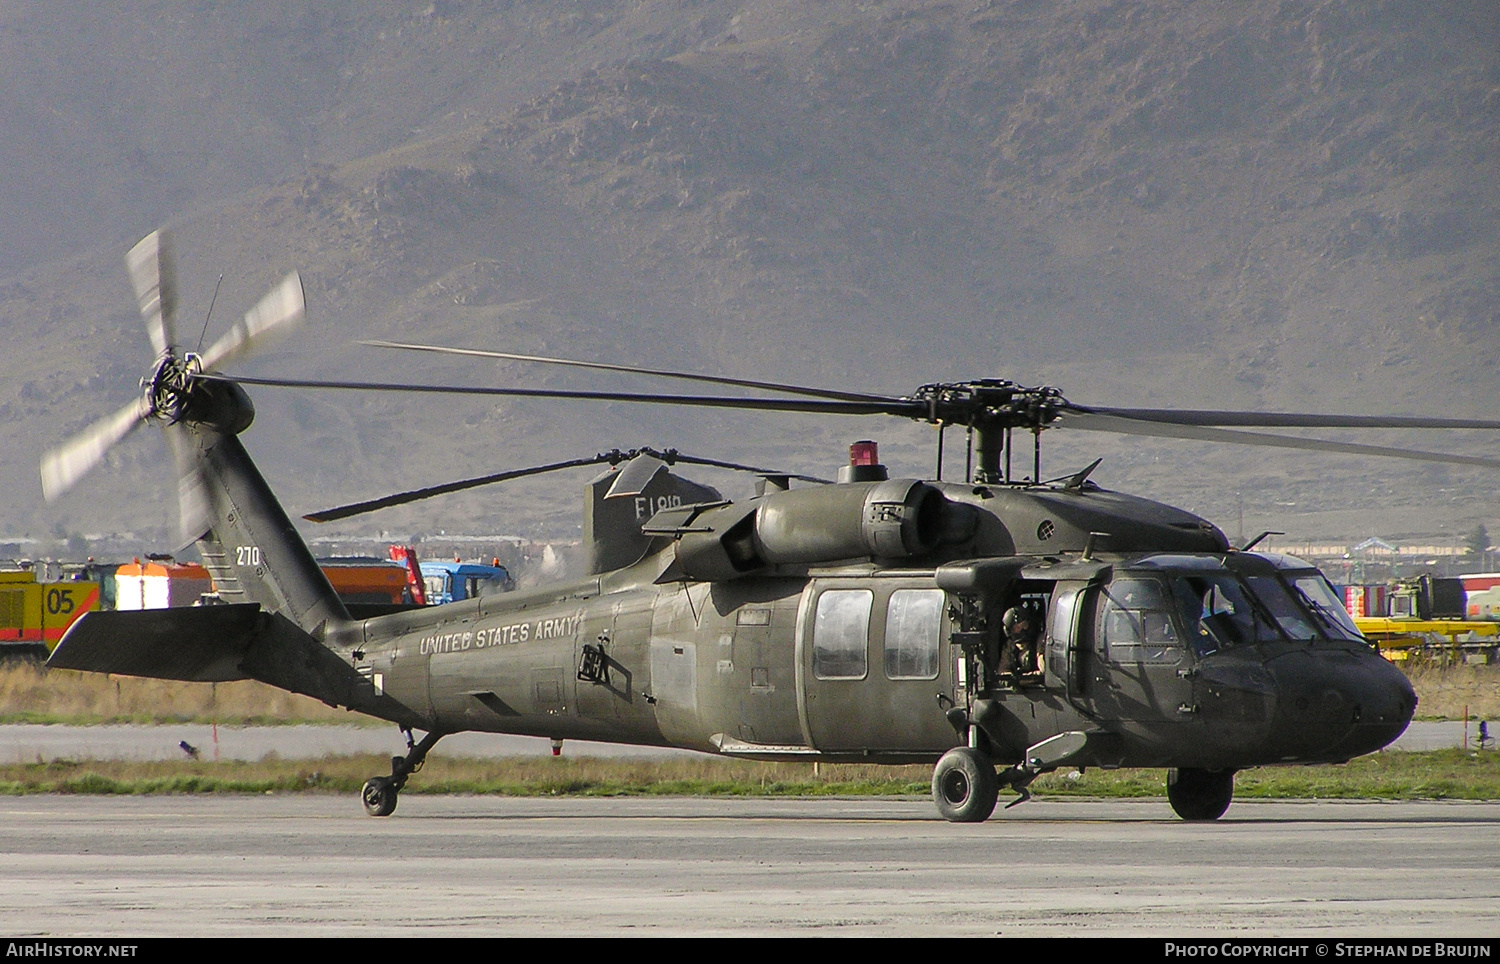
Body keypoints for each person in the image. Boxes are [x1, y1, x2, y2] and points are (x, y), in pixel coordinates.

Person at [1000, 606, 1041, 676]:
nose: (1021, 629)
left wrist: (1026, 678)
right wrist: (1012, 678)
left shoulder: (1040, 641)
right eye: (1016, 628)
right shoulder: (1010, 645)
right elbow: (1002, 671)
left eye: (1024, 625)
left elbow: (1044, 672)